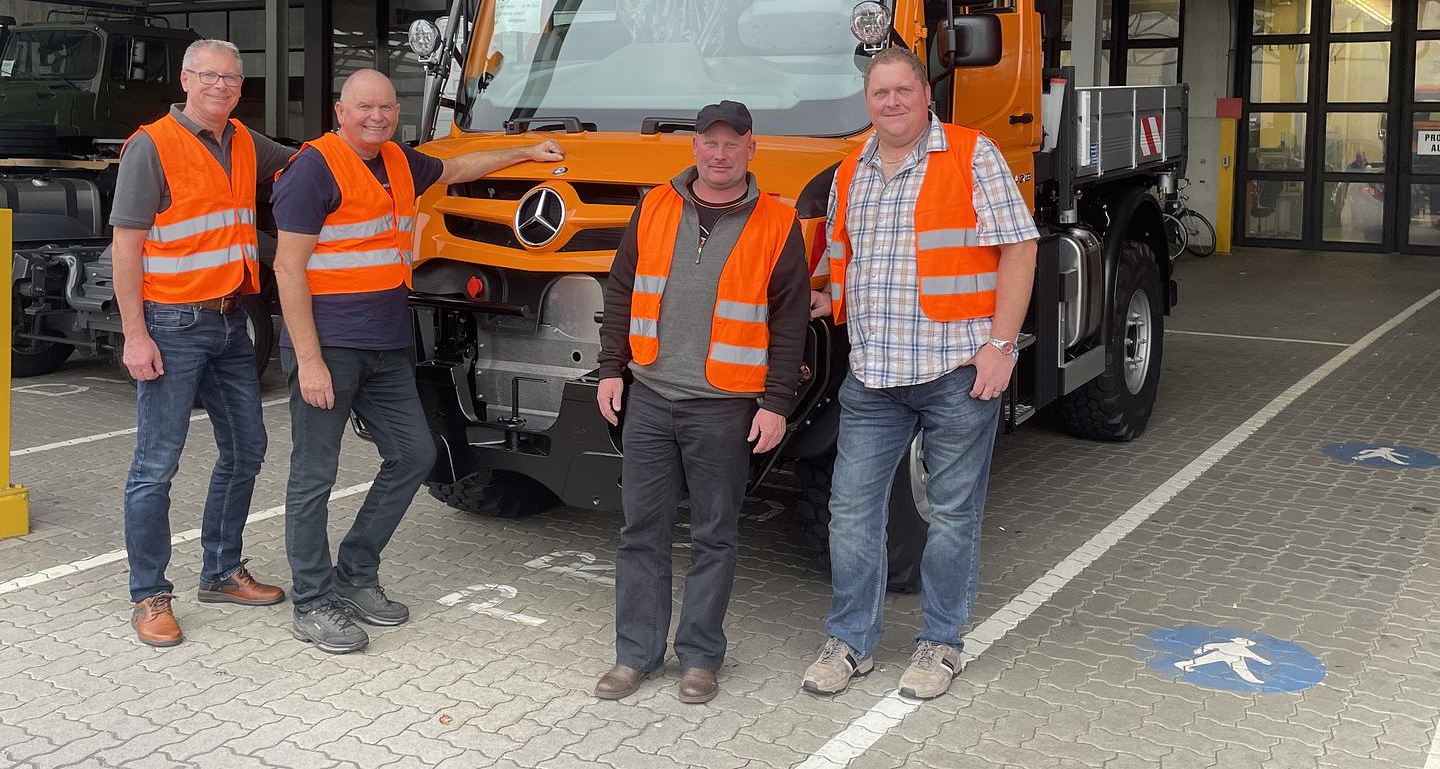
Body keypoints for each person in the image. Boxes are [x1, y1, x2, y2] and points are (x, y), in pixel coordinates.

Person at [272, 69, 562, 653]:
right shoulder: (314, 169)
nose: (376, 117)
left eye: (385, 107)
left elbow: (459, 168)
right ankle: (311, 600)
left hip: (386, 345)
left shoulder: (401, 162)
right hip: (329, 347)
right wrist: (310, 361)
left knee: (415, 454)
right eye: (363, 107)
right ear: (340, 111)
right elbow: (287, 268)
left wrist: (526, 151)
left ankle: (355, 573)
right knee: (314, 476)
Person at [803, 47, 1038, 701]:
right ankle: (851, 642)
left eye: (903, 90)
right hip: (873, 376)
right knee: (850, 514)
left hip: (955, 372)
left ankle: (941, 643)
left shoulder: (971, 154)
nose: (892, 103)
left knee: (953, 516)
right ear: (867, 101)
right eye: (880, 93)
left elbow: (1020, 247)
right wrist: (831, 298)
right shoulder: (850, 170)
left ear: (926, 94)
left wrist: (1001, 345)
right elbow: (855, 258)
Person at [593, 100, 810, 704]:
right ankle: (635, 656)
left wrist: (776, 403)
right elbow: (621, 290)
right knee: (642, 530)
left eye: (731, 143)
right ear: (693, 147)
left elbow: (790, 319)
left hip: (724, 405)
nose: (719, 154)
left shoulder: (778, 221)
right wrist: (611, 370)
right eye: (709, 142)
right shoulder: (654, 206)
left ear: (750, 148)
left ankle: (700, 658)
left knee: (716, 534)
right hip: (650, 396)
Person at [112, 38, 294, 648]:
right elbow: (126, 248)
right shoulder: (152, 146)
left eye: (232, 79)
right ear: (186, 80)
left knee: (246, 448)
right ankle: (149, 594)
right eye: (210, 76)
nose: (221, 86)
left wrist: (373, 144)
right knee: (156, 466)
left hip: (231, 321)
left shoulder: (244, 141)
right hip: (171, 324)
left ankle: (220, 571)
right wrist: (135, 334)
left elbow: (308, 163)